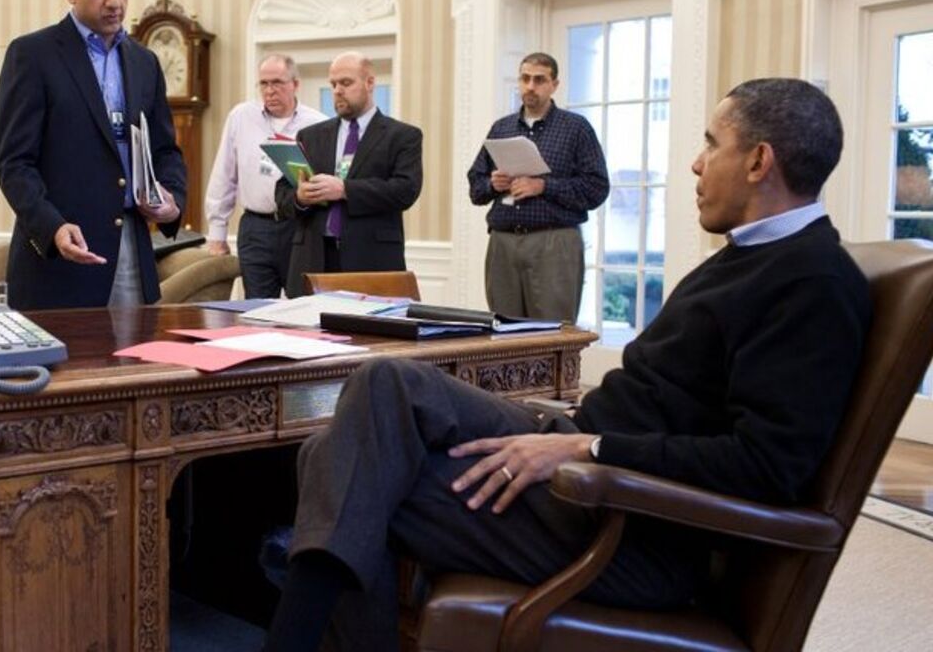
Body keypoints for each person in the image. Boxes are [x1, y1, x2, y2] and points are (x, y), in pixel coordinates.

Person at [263, 78, 870, 651]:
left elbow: (767, 466)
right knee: (386, 380)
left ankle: (290, 633)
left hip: (629, 525)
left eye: (712, 143)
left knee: (342, 471)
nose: (696, 162)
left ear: (760, 162)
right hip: (583, 461)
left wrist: (591, 450)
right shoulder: (749, 256)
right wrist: (576, 438)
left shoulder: (811, 282)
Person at [0, 0, 186, 310]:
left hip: (132, 250)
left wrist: (173, 201)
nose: (114, 0)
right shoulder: (32, 55)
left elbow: (166, 151)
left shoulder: (145, 62)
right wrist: (51, 226)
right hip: (59, 261)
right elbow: (14, 164)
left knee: (135, 367)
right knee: (67, 370)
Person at [467, 52, 609, 321]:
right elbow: (475, 186)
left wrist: (543, 186)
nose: (530, 86)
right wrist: (492, 184)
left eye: (539, 80)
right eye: (525, 78)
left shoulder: (576, 129)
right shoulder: (502, 128)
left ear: (554, 85)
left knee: (552, 332)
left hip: (553, 243)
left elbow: (597, 188)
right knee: (503, 333)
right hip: (503, 242)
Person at [274, 52, 422, 298]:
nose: (337, 90)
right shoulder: (310, 136)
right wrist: (300, 196)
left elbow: (405, 190)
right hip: (314, 258)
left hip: (371, 258)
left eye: (346, 83)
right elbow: (282, 195)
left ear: (370, 83)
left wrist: (345, 190)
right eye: (333, 84)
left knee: (367, 335)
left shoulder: (403, 136)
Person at [203, 54, 327, 298]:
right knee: (257, 309)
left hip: (299, 227)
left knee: (300, 306)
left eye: (278, 83)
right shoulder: (241, 116)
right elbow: (223, 176)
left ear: (295, 84)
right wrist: (217, 233)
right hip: (255, 227)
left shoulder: (318, 124)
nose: (270, 91)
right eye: (264, 84)